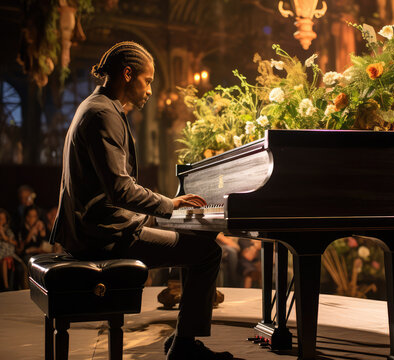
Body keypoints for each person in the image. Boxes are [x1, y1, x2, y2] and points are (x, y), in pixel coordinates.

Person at [49, 41, 232, 360]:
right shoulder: (103, 113)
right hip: (101, 238)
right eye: (148, 81)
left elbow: (114, 188)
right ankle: (185, 347)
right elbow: (120, 189)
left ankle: (182, 339)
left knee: (195, 242)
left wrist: (161, 209)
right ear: (128, 74)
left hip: (94, 229)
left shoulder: (98, 107)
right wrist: (170, 205)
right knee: (207, 253)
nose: (150, 90)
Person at [0, 208, 19, 290]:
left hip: (6, 253)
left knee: (5, 261)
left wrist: (3, 235)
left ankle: (6, 287)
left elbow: (15, 243)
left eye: (2, 219)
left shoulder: (8, 230)